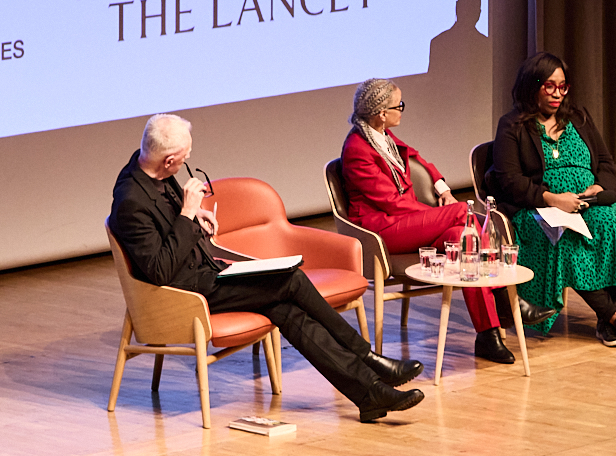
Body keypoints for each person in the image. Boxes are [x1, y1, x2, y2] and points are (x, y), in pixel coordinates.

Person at [109, 113, 426, 423]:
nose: (187, 162)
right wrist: (188, 214)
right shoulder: (130, 202)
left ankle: (368, 394)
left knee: (287, 310)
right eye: (184, 158)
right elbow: (160, 271)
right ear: (168, 160)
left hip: (208, 272)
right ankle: (368, 358)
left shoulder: (155, 169)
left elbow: (173, 230)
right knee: (291, 280)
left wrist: (197, 221)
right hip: (185, 292)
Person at [340, 78, 515, 365]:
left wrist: (442, 187)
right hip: (382, 230)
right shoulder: (358, 148)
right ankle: (505, 297)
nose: (402, 111)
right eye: (400, 106)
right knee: (462, 212)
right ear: (382, 112)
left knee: (464, 236)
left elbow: (416, 157)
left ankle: (488, 333)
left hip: (405, 220)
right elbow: (390, 202)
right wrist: (432, 213)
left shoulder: (381, 134)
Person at [488, 53, 616, 349]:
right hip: (538, 209)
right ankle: (614, 316)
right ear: (532, 86)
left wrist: (599, 186)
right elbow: (508, 179)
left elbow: (605, 161)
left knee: (608, 225)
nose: (558, 93)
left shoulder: (578, 117)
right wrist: (552, 199)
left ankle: (607, 319)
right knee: (568, 237)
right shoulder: (512, 125)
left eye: (563, 86)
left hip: (588, 203)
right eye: (550, 86)